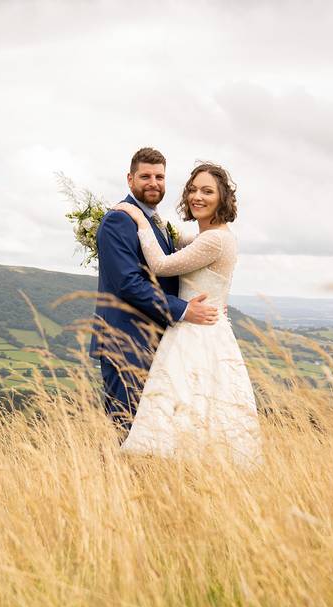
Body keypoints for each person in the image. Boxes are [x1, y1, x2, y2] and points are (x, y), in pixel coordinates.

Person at [112, 163, 263, 466]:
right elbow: (178, 240)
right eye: (193, 189)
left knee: (185, 403)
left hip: (196, 332)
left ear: (223, 198)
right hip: (204, 328)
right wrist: (157, 222)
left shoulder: (214, 239)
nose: (197, 196)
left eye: (207, 191)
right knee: (194, 406)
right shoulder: (210, 236)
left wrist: (141, 221)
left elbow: (162, 265)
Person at [89, 147, 221, 434]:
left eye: (159, 177)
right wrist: (184, 310)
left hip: (154, 342)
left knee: (153, 433)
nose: (153, 183)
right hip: (126, 343)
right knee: (127, 431)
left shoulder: (153, 222)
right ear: (130, 179)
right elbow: (128, 283)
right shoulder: (118, 220)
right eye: (145, 176)